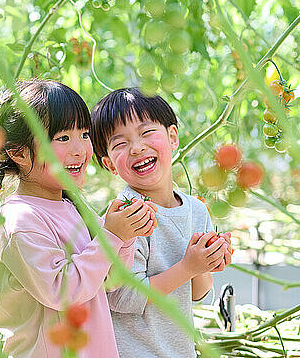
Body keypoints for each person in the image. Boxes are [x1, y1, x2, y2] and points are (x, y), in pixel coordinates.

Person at [0, 79, 156, 358]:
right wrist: (111, 236)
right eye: (63, 138)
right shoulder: (19, 221)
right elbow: (63, 292)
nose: (80, 150)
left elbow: (109, 280)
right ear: (18, 152)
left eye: (84, 134)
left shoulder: (74, 206)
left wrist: (125, 237)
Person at [90, 87, 233, 358]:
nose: (137, 147)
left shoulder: (196, 209)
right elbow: (122, 296)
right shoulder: (125, 216)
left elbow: (197, 292)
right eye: (120, 143)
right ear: (109, 163)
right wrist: (187, 266)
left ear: (172, 136)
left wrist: (206, 262)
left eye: (147, 133)